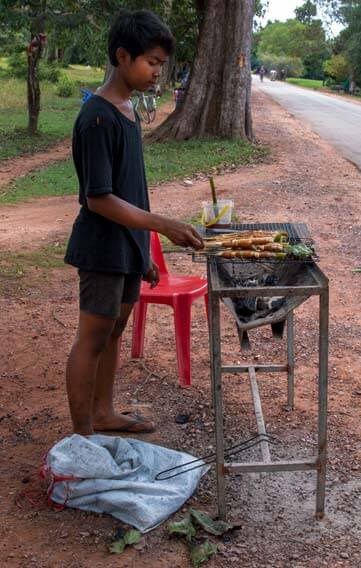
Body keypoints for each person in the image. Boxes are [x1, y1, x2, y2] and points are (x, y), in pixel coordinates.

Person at [63, 9, 205, 436]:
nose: (157, 72)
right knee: (92, 337)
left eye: (161, 64)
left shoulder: (127, 111)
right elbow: (100, 198)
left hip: (126, 248)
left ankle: (104, 412)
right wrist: (163, 225)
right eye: (152, 62)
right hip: (102, 247)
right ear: (122, 56)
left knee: (115, 329)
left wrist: (143, 251)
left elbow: (132, 191)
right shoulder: (98, 118)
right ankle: (82, 435)